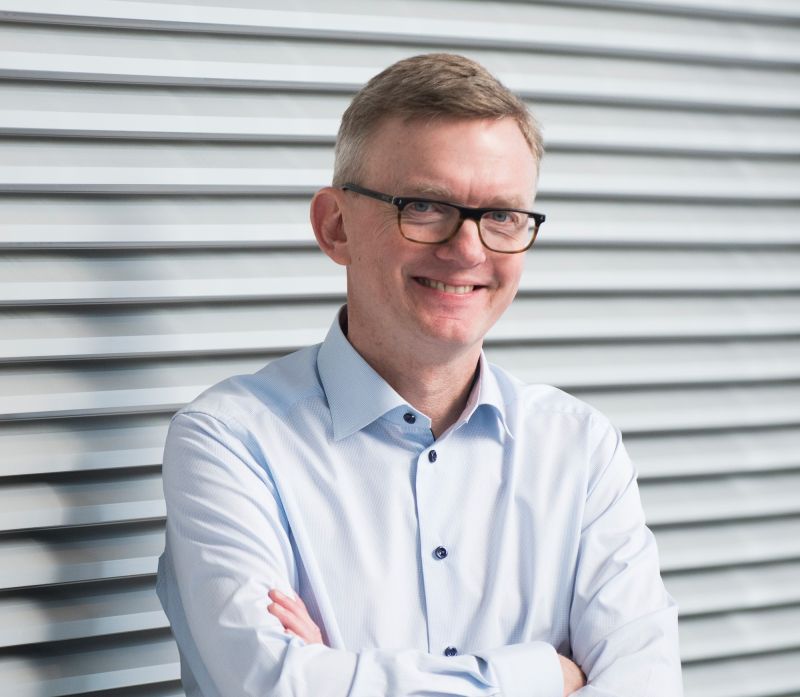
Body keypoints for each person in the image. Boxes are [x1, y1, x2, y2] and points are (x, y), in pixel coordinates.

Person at [156, 53, 683, 697]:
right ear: (335, 226)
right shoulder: (230, 442)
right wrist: (547, 674)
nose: (468, 249)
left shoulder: (581, 449)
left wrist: (341, 676)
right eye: (426, 206)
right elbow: (274, 687)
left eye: (502, 215)